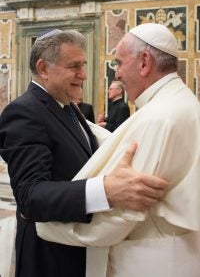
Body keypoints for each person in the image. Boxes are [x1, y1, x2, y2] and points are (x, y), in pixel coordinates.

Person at [36, 23, 200, 277]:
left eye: (119, 63)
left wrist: (46, 225)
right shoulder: (179, 102)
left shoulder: (159, 117)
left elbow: (120, 215)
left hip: (151, 263)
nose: (117, 75)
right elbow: (120, 139)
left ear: (144, 62)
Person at [0, 29, 167, 277]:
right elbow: (30, 196)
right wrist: (106, 190)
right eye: (74, 66)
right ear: (44, 68)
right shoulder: (24, 112)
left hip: (75, 246)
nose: (84, 75)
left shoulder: (66, 105)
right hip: (49, 257)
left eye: (84, 65)